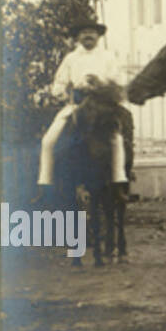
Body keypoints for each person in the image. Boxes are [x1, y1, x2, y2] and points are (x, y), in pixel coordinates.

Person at [37, 14, 129, 198]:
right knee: (48, 140)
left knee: (116, 139)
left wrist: (100, 83)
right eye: (84, 33)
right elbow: (58, 84)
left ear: (98, 36)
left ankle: (119, 181)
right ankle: (45, 184)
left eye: (92, 32)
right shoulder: (71, 58)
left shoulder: (109, 57)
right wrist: (66, 91)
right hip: (76, 105)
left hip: (102, 107)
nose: (88, 36)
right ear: (77, 37)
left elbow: (119, 83)